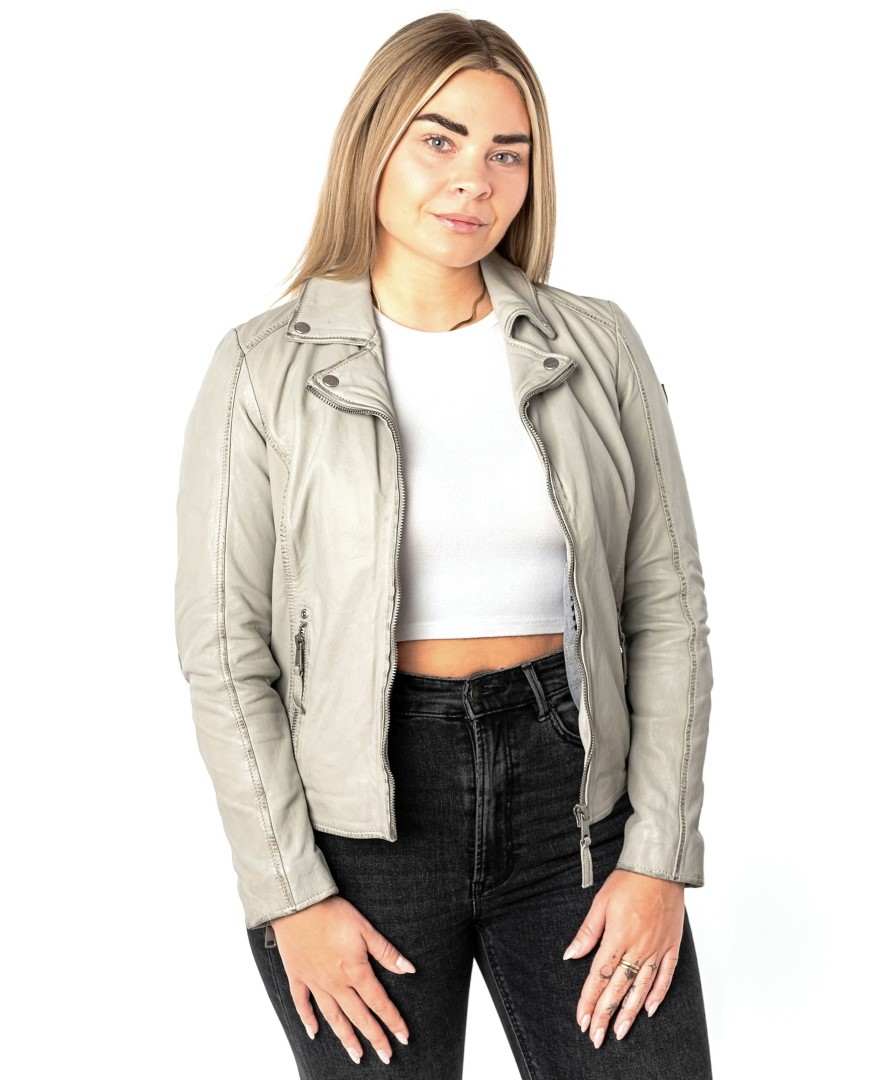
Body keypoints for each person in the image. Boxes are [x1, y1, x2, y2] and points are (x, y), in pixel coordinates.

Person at [174, 13, 714, 1078]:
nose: (476, 178)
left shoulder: (596, 343)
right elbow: (225, 653)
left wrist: (658, 855)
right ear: (373, 142)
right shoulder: (261, 369)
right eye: (440, 139)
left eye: (508, 152)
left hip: (575, 801)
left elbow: (667, 609)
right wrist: (291, 894)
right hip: (361, 825)